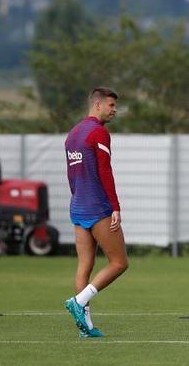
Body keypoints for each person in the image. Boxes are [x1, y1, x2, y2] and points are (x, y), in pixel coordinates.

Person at [64, 87, 129, 337]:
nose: (114, 110)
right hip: (98, 207)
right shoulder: (98, 132)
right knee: (119, 263)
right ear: (98, 104)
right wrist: (115, 206)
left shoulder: (72, 134)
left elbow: (72, 174)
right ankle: (78, 302)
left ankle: (86, 328)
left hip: (78, 206)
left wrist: (77, 197)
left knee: (85, 265)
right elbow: (105, 172)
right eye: (111, 105)